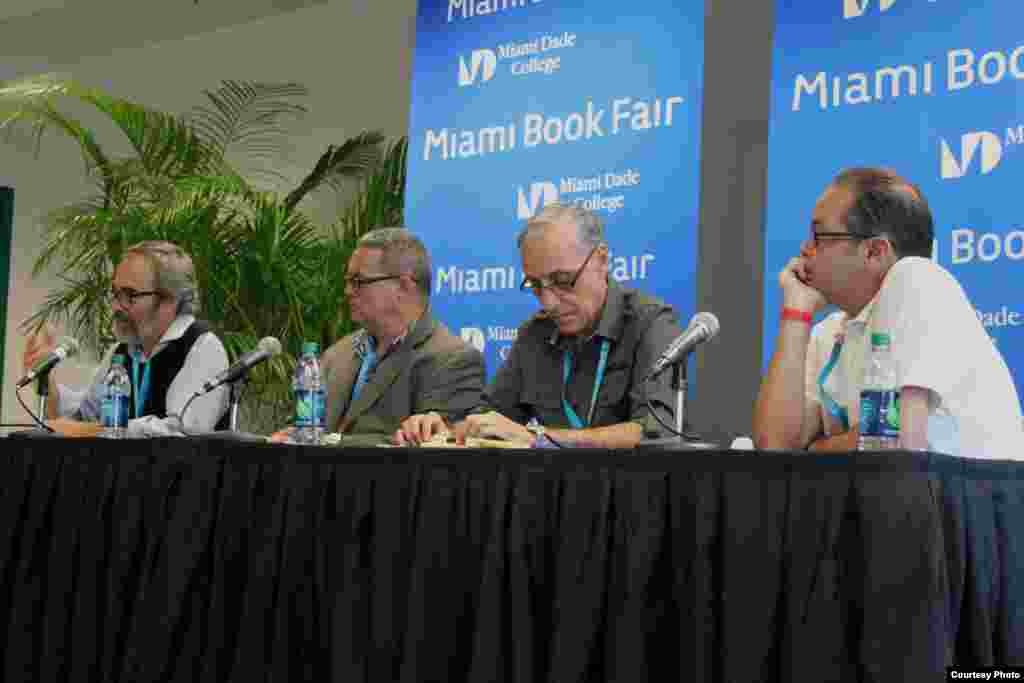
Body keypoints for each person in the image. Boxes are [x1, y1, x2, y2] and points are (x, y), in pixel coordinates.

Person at [753, 167, 1023, 458]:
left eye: (819, 236)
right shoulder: (830, 331)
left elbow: (895, 436)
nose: (805, 249)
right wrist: (797, 312)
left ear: (875, 252)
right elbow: (775, 448)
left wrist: (817, 448)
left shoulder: (918, 279)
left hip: (977, 497)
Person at [396, 203, 683, 449]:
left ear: (601, 260)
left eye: (562, 281)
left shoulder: (651, 323)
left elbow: (654, 431)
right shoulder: (535, 334)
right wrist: (442, 430)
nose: (548, 302)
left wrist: (538, 438)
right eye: (535, 285)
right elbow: (488, 419)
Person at [272, 228, 485, 441]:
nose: (347, 291)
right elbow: (304, 423)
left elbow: (434, 447)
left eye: (358, 281)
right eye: (347, 281)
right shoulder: (338, 353)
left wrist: (329, 442)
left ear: (403, 286)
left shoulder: (453, 360)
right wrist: (290, 436)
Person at [22, 241, 230, 437]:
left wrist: (90, 431)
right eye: (115, 293)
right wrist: (47, 383)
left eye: (130, 295)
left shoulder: (202, 347)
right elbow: (82, 418)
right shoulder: (121, 351)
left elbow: (180, 432)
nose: (115, 306)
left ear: (170, 300)